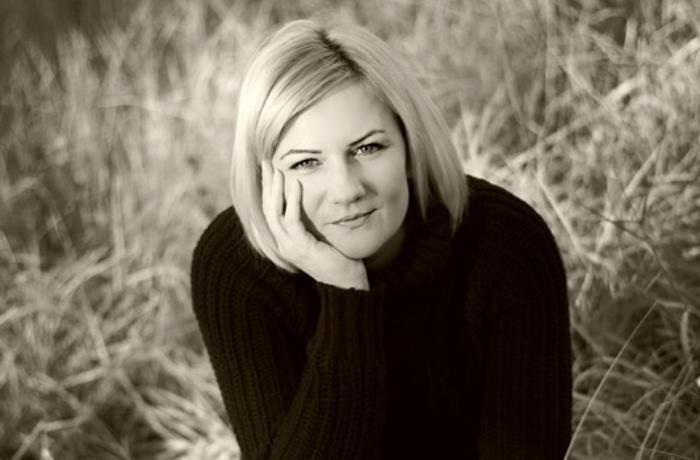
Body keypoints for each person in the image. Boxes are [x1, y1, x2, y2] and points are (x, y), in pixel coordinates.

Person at [190, 17, 572, 459]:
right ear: (265, 178)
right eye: (305, 163)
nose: (347, 190)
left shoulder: (505, 245)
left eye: (368, 148)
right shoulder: (238, 266)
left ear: (410, 146)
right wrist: (346, 297)